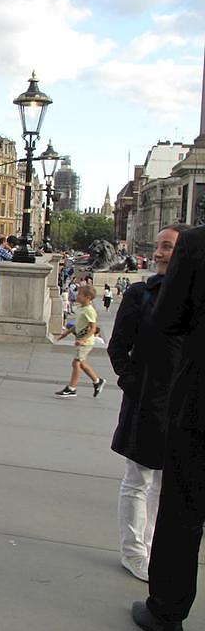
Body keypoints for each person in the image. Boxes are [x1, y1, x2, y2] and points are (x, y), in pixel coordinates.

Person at [131, 225, 205, 631]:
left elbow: (167, 319)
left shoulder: (197, 243)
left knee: (182, 515)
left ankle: (166, 615)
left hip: (199, 403)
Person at [108, 225, 189, 583]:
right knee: (138, 478)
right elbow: (117, 346)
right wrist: (132, 382)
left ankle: (154, 546)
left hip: (184, 404)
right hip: (146, 400)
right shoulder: (140, 294)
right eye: (158, 246)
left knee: (166, 481)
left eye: (167, 247)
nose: (157, 253)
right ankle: (133, 551)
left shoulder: (195, 299)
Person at [54, 283, 106, 398]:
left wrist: (83, 340)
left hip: (86, 342)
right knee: (81, 363)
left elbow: (93, 328)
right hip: (81, 340)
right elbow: (77, 325)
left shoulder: (89, 311)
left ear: (87, 297)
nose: (77, 296)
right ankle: (97, 381)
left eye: (80, 294)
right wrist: (66, 333)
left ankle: (72, 388)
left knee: (76, 363)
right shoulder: (81, 308)